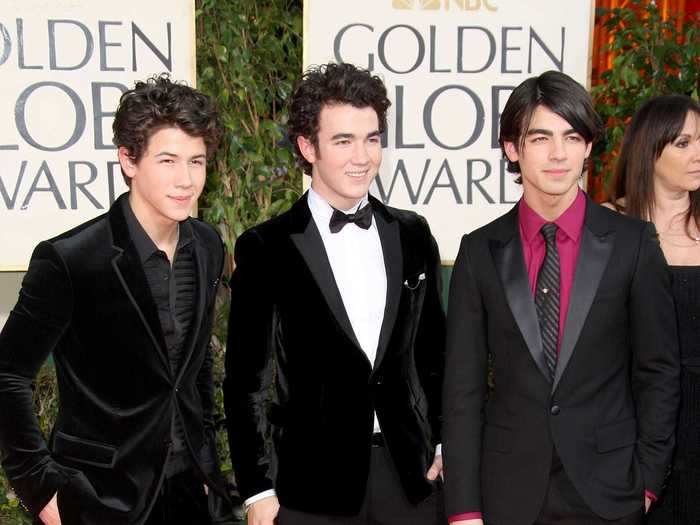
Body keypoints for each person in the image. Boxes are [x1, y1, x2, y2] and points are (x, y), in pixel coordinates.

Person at [442, 71, 680, 525]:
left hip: (610, 492)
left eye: (572, 137)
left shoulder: (632, 243)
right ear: (513, 148)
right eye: (540, 138)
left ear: (588, 147)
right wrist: (465, 508)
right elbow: (462, 391)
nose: (558, 154)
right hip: (506, 493)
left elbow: (658, 372)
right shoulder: (480, 251)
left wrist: (647, 482)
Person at [0, 75, 235, 525]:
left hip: (192, 495)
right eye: (167, 160)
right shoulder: (70, 260)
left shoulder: (207, 246)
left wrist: (206, 462)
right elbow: (8, 374)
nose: (186, 180)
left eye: (197, 161)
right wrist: (40, 487)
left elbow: (195, 364)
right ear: (128, 159)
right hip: (99, 499)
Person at [224, 62, 446, 525]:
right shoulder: (265, 248)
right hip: (309, 488)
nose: (361, 157)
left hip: (410, 477)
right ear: (308, 147)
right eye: (343, 141)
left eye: (371, 138)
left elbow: (433, 356)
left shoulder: (413, 233)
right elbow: (247, 383)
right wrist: (258, 490)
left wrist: (446, 443)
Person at [605, 94, 700, 524]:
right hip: (629, 431)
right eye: (683, 142)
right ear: (650, 147)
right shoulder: (605, 228)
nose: (697, 153)